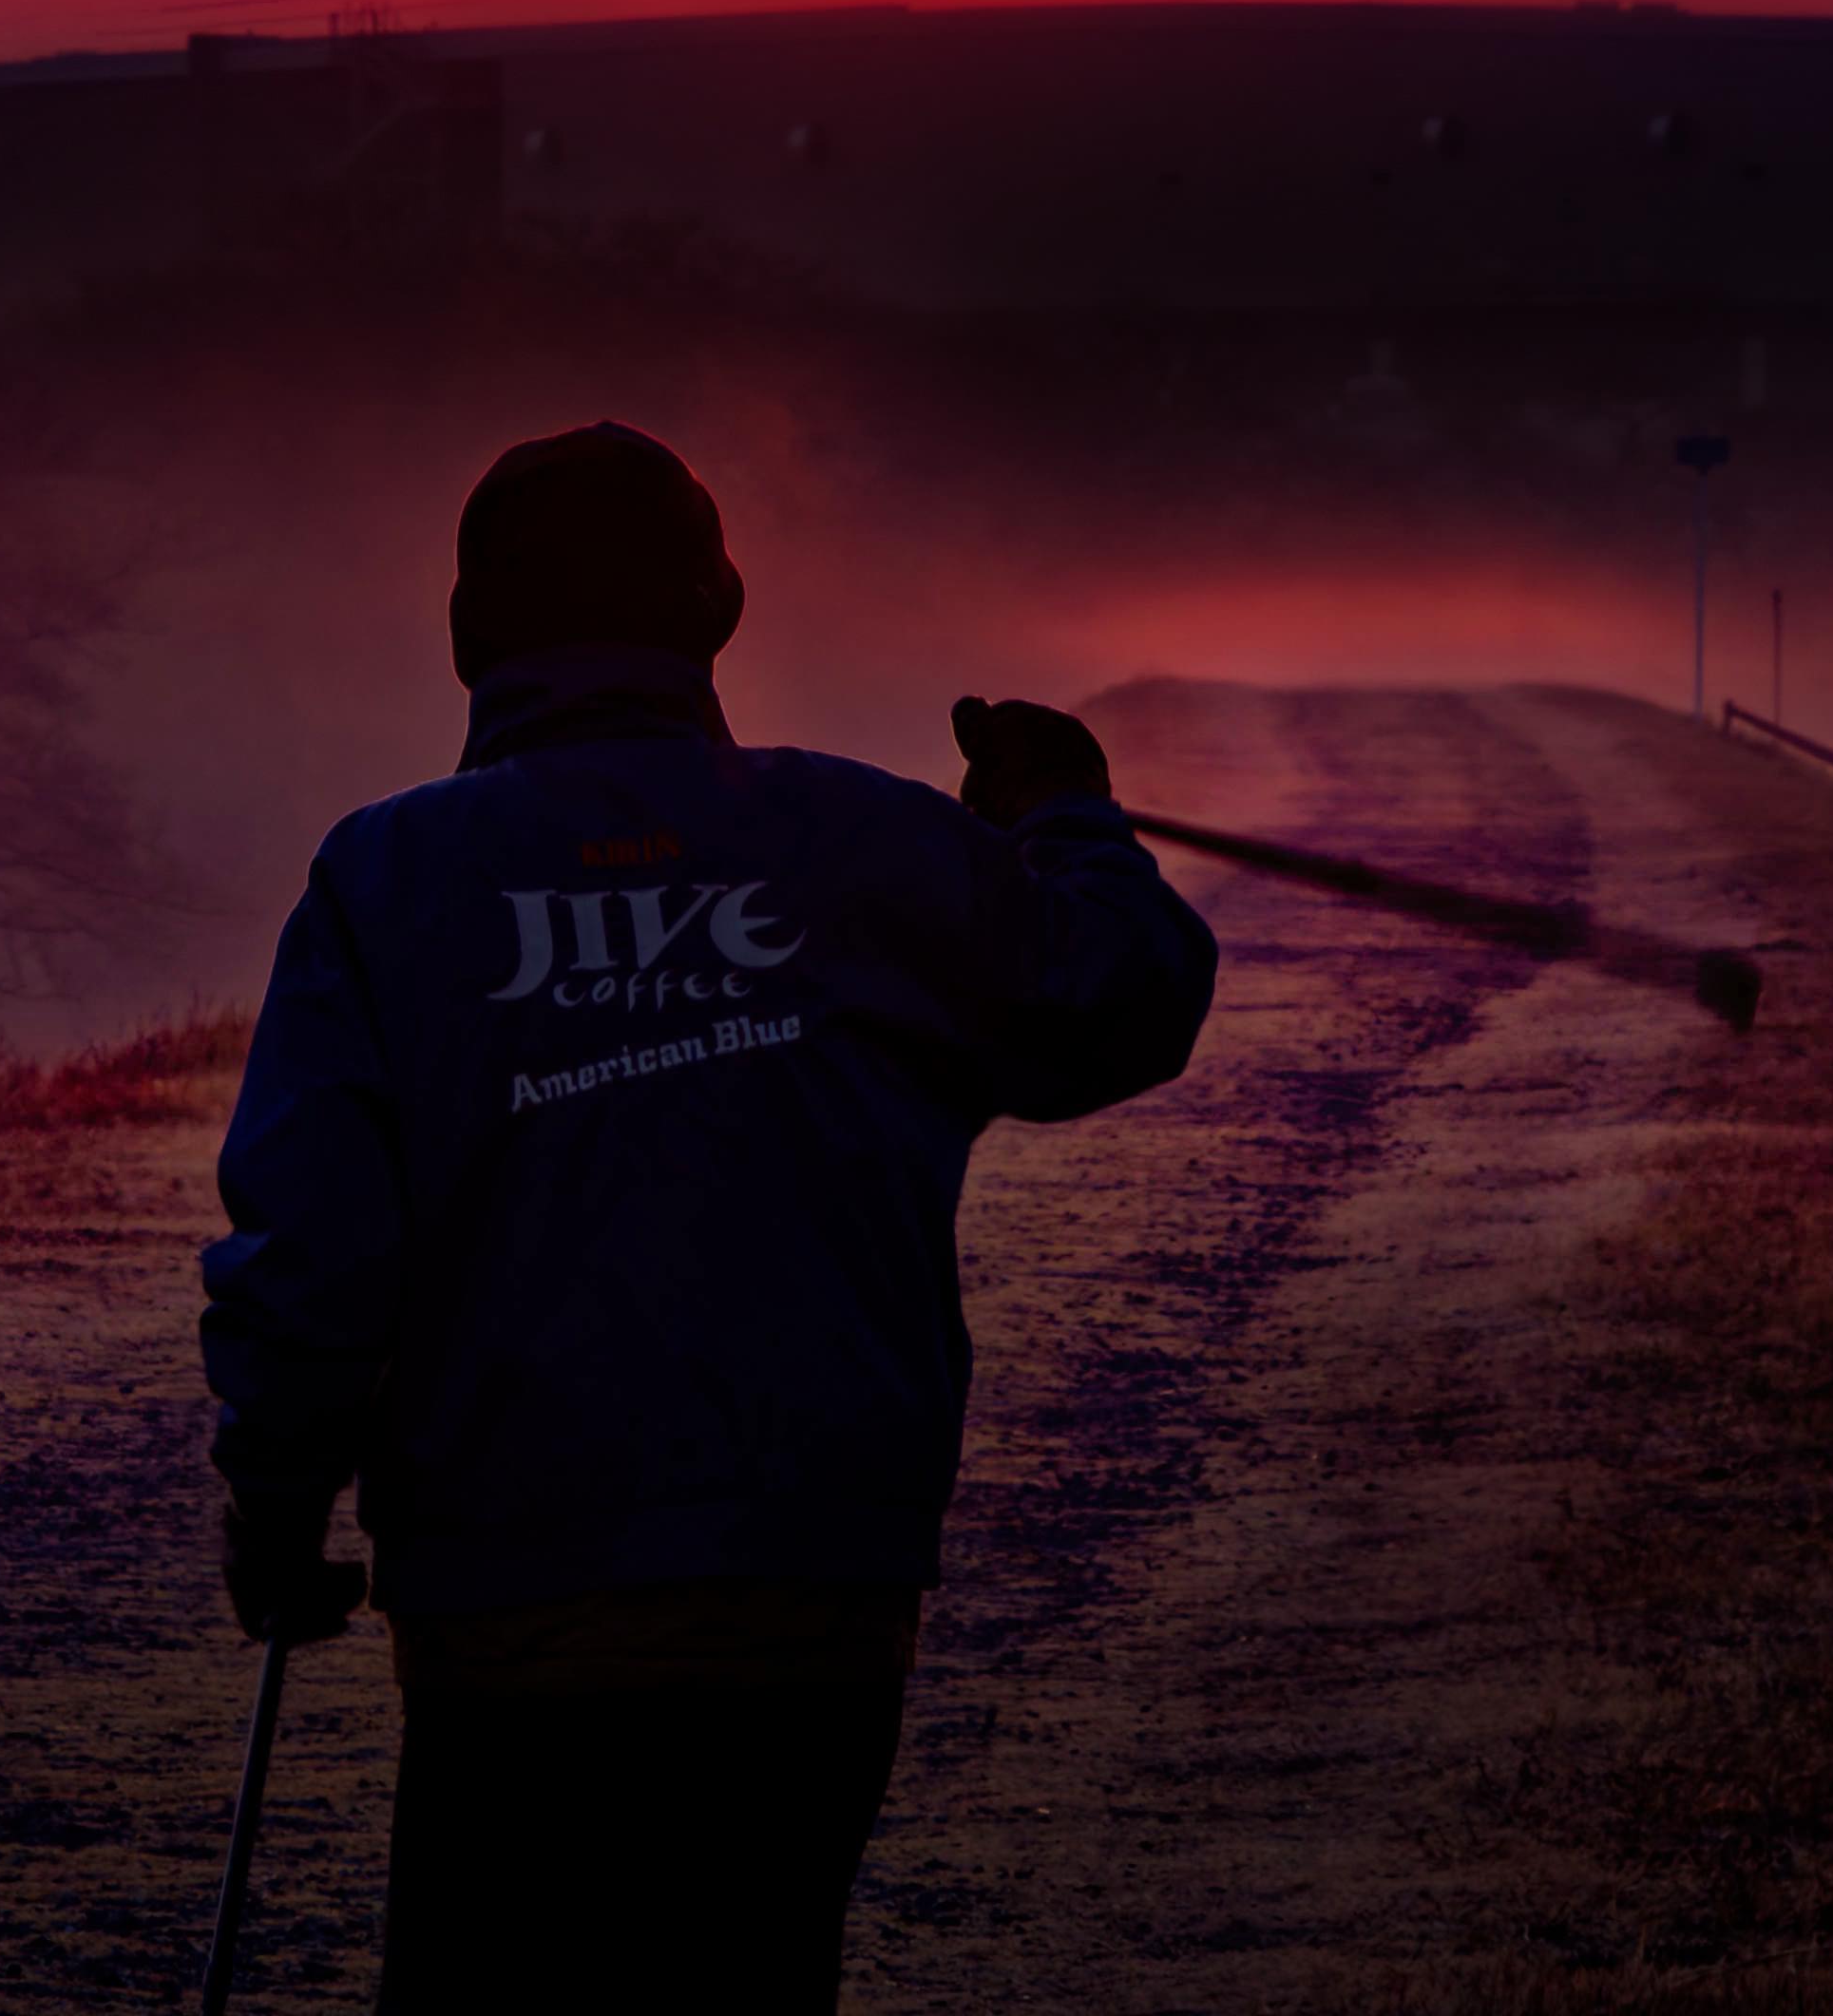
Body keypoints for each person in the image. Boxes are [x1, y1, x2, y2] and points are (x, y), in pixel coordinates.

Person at [200, 422, 1218, 2012]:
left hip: (507, 1618)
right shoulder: (867, 842)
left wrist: (275, 1506)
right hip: (811, 1597)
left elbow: (314, 1248)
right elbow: (1121, 996)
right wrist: (1063, 815)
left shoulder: (388, 879)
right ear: (718, 609)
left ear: (469, 631)